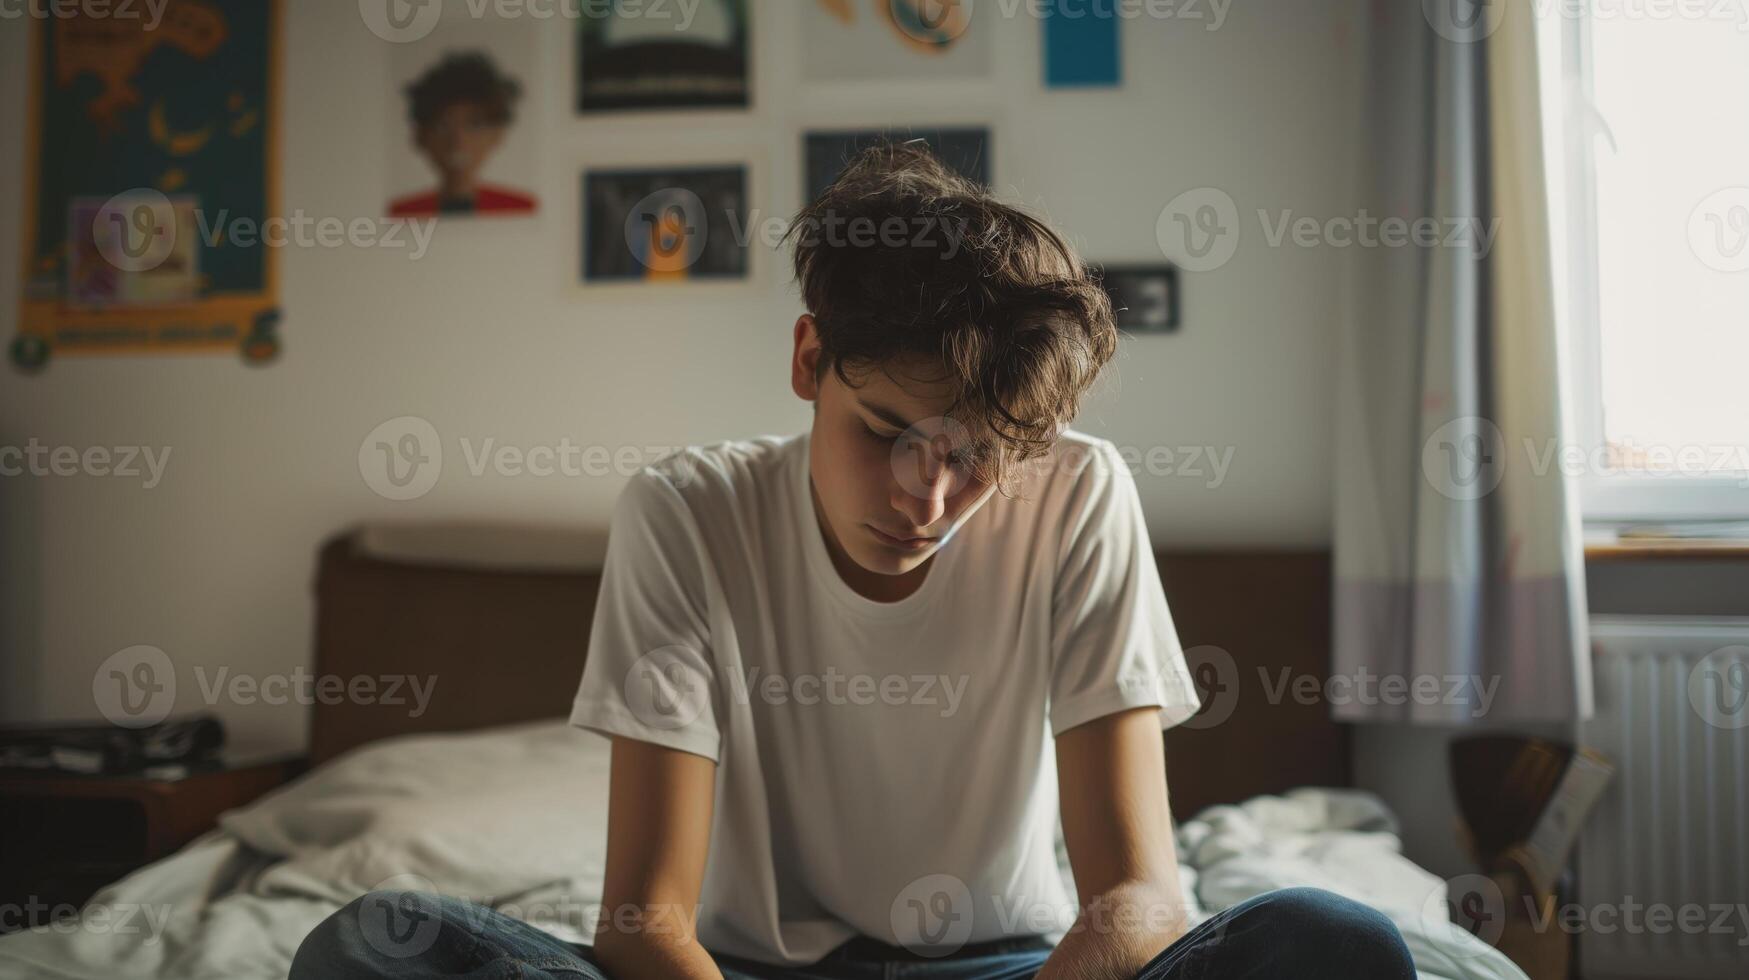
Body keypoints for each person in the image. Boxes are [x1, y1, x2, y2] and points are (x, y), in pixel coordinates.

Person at [292, 142, 1416, 980]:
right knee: (369, 948)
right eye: (884, 432)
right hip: (743, 976)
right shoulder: (689, 511)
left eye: (976, 456)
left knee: (1334, 943)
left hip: (1017, 967)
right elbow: (644, 919)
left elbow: (1135, 892)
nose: (925, 500)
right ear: (808, 357)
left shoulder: (1079, 490)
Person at [388, 51, 536, 218]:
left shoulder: (521, 209)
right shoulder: (400, 213)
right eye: (442, 126)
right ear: (420, 136)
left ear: (497, 135)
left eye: (475, 125)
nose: (458, 141)